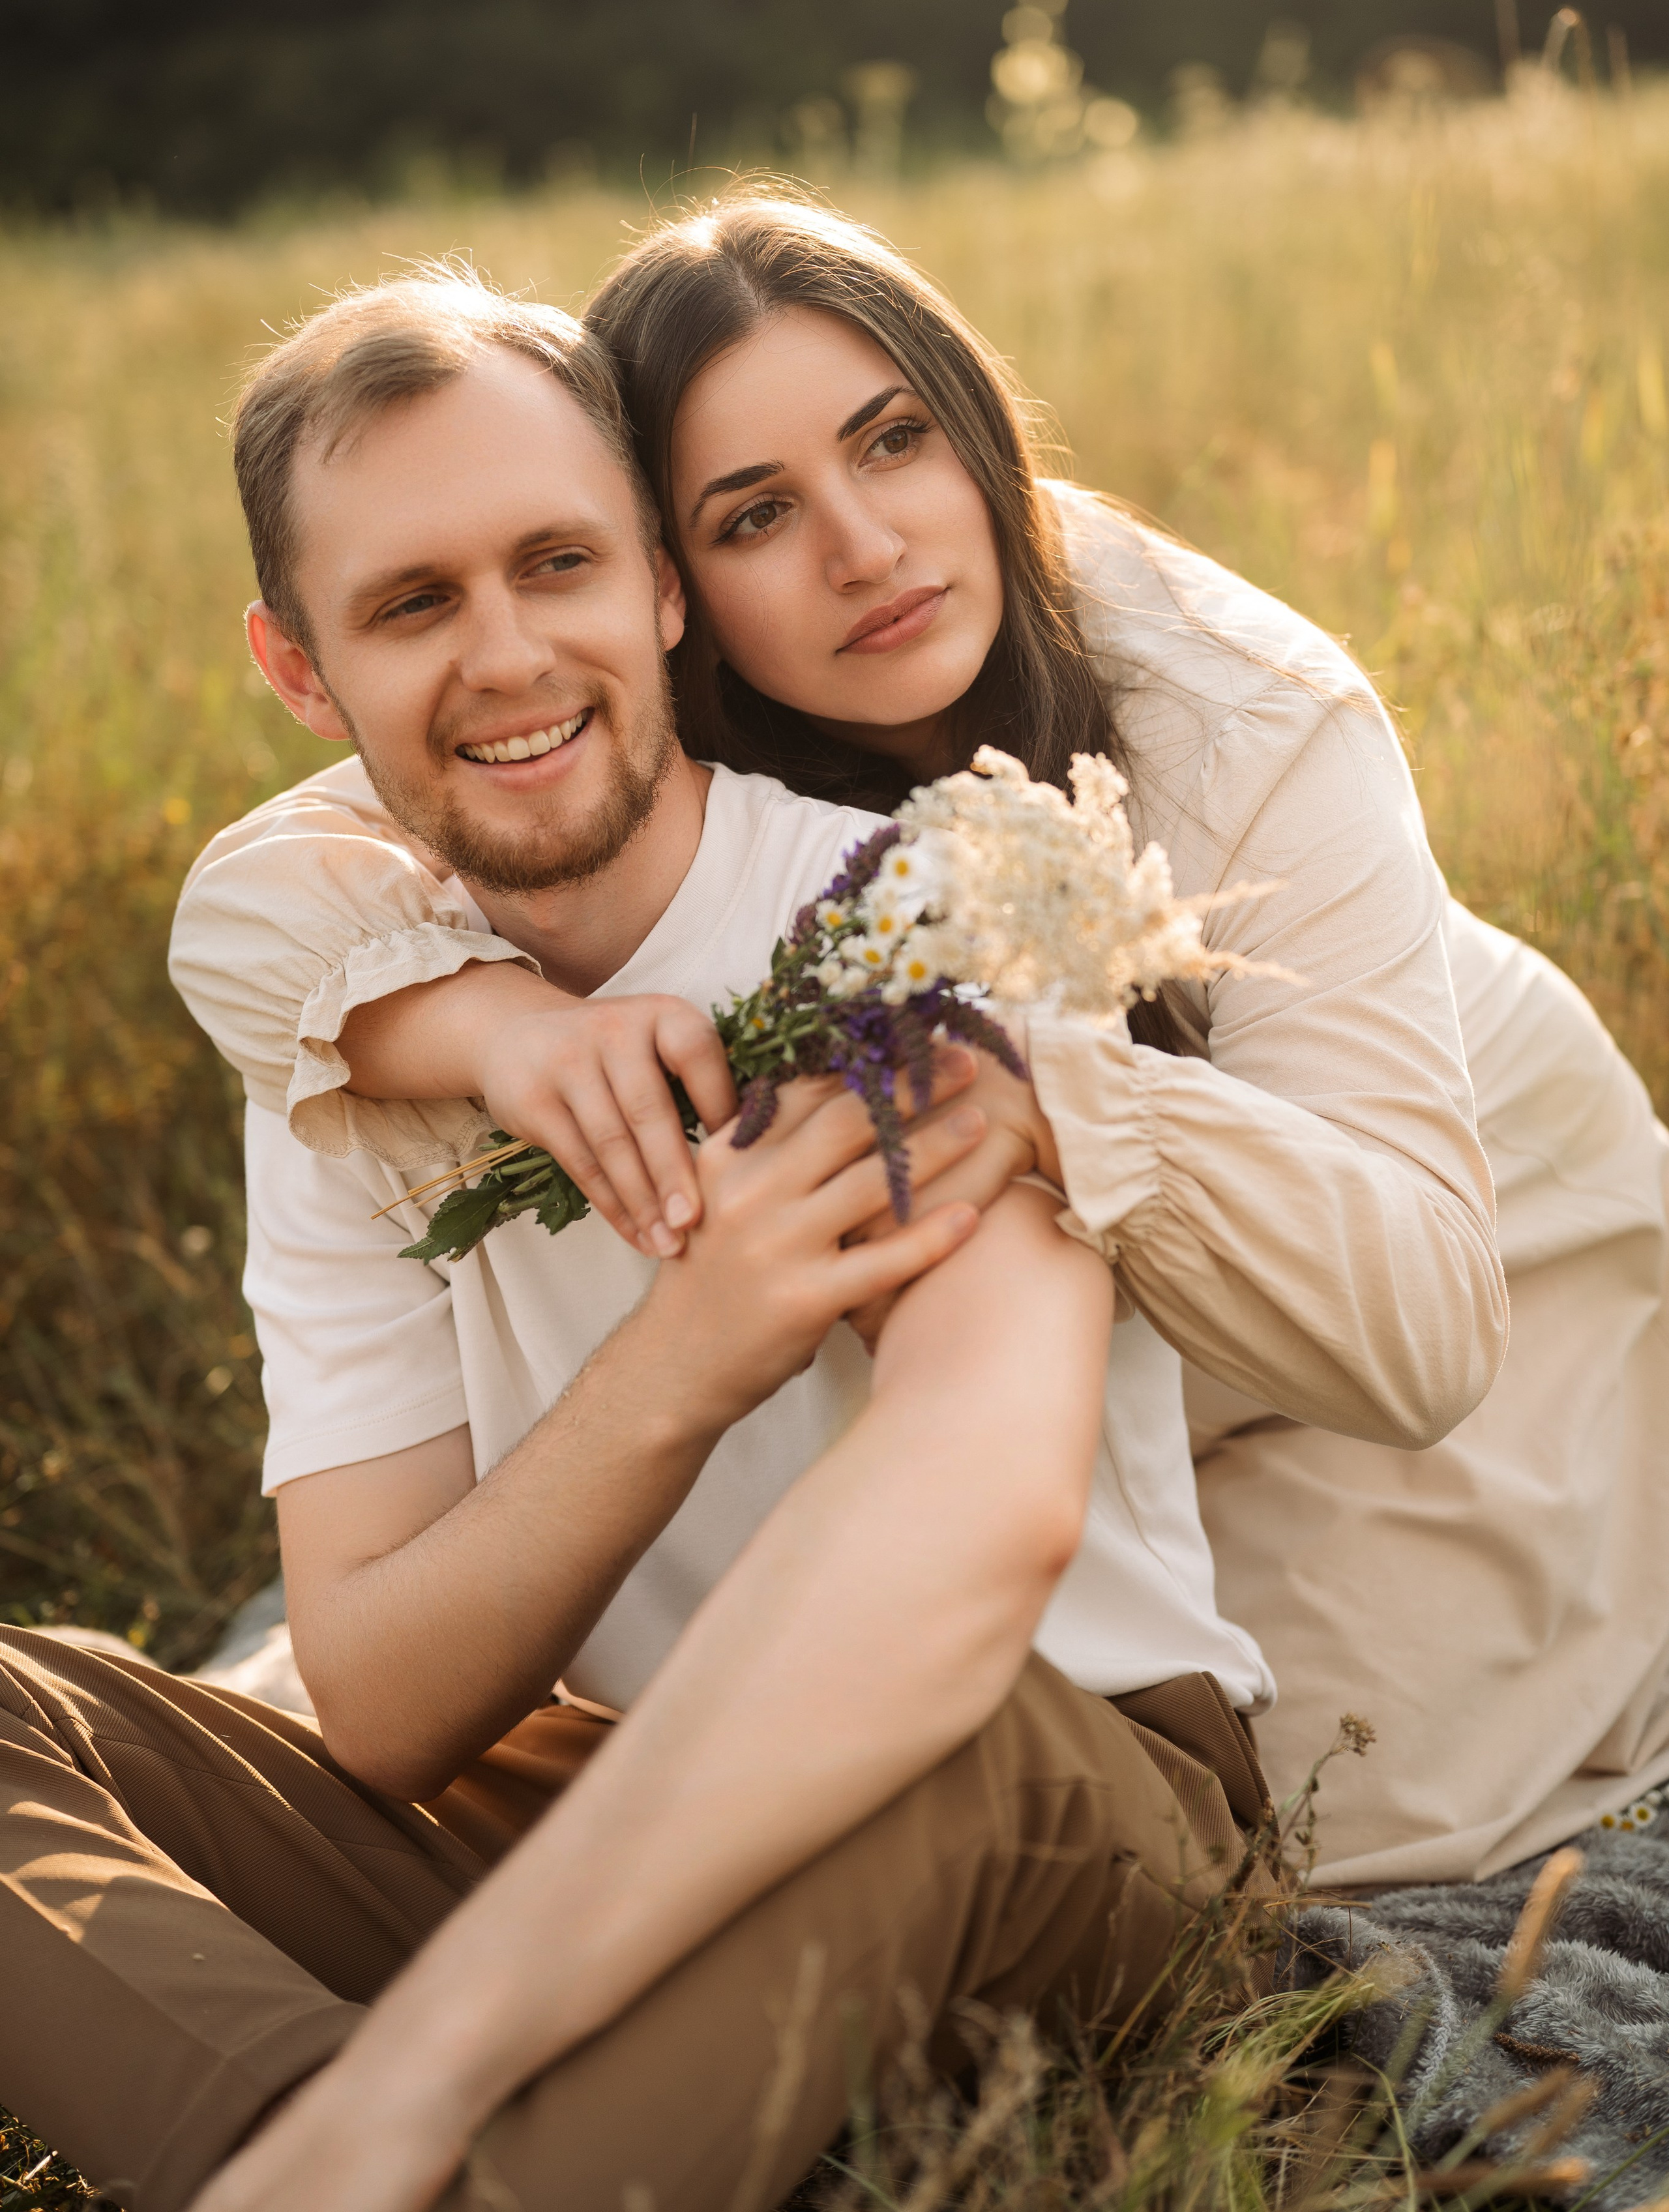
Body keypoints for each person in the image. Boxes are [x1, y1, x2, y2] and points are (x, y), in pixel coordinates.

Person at [173, 190, 1669, 1886]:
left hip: (1449, 1261)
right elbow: (259, 891)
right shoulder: (605, 701)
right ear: (665, 574)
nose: (865, 547)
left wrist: (1063, 1091)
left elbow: (1418, 1339)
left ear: (977, 433)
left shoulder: (1234, 705)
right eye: (753, 514)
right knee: (806, 1736)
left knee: (1283, 1818)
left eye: (896, 442)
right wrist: (481, 1016)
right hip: (1086, 1366)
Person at [1, 275, 1281, 2212]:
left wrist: (428, 2071)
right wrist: (682, 1362)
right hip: (613, 1794)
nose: (506, 656)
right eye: (414, 605)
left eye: (558, 564)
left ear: (665, 592)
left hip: (1042, 1789)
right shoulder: (352, 1032)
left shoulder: (916, 918)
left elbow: (979, 1538)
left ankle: (380, 2134)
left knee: (947, 1763)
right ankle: (317, 2146)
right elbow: (386, 1701)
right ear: (297, 669)